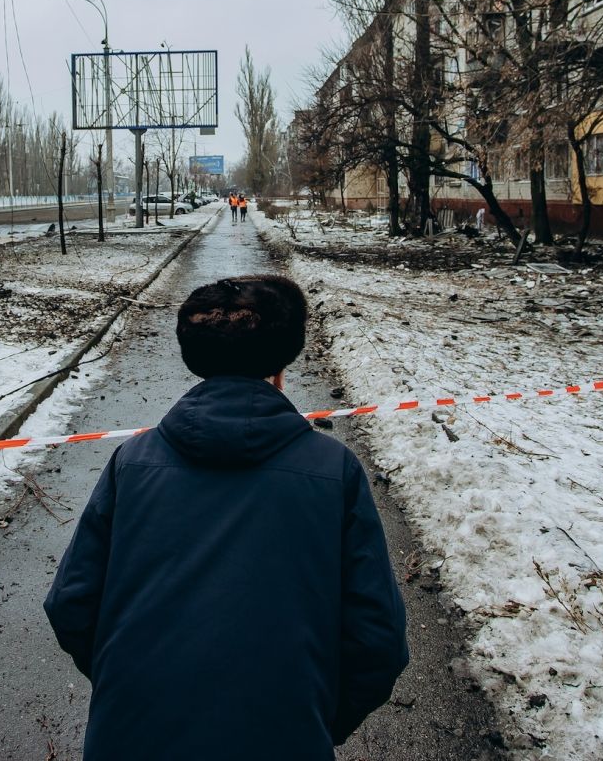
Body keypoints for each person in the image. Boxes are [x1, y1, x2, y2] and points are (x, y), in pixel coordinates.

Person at [44, 275, 408, 761]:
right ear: (281, 368)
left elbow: (71, 603)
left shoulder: (132, 462)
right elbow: (377, 639)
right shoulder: (332, 471)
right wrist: (313, 720)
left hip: (130, 736)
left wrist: (133, 689)